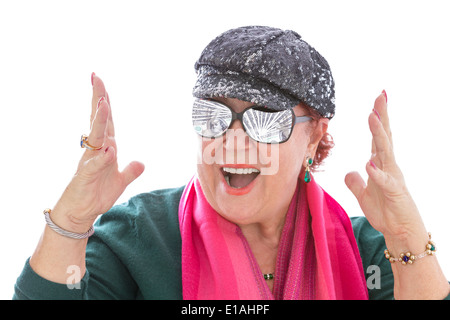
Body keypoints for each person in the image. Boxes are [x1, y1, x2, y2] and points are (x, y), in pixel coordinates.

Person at [13, 26, 449, 300]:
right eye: (212, 116)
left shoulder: (374, 251)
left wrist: (406, 236)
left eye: (266, 121)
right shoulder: (138, 239)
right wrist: (71, 220)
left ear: (314, 135)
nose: (232, 141)